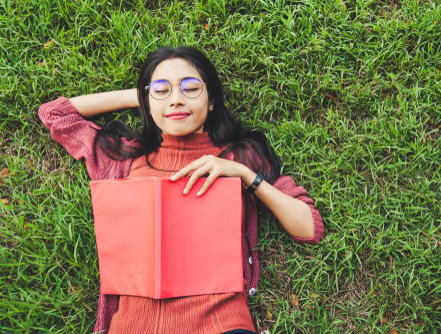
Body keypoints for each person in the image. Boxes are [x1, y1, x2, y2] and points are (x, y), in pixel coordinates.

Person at [38, 46, 325, 334]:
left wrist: (246, 175)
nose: (176, 100)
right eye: (162, 90)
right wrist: (142, 96)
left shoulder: (238, 159)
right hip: (134, 327)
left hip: (222, 325)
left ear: (211, 100)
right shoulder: (124, 162)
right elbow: (55, 114)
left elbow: (310, 228)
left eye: (190, 88)